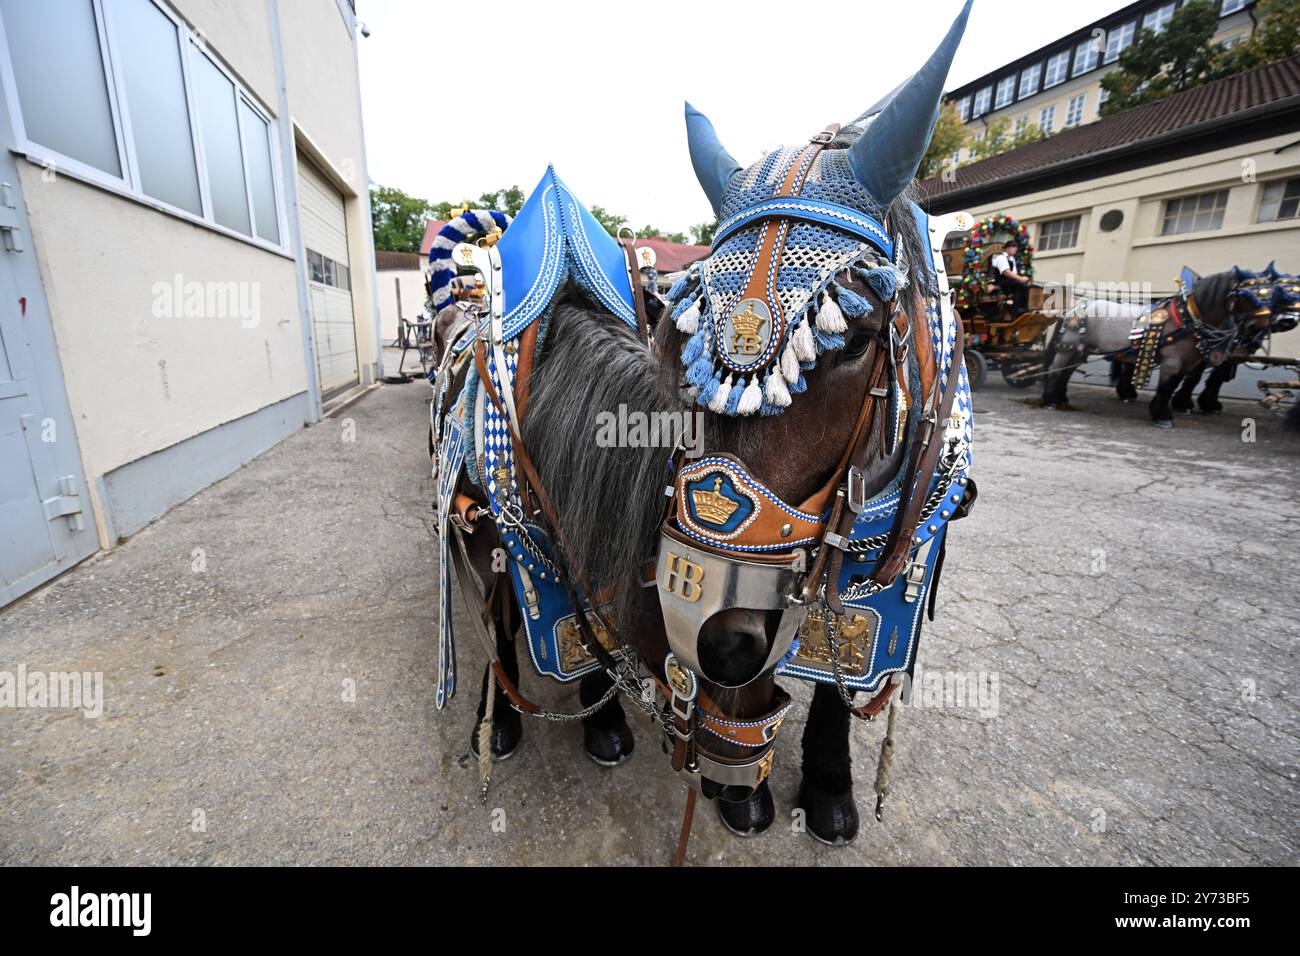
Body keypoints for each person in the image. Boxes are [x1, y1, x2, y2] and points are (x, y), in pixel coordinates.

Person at [989, 240, 1031, 315]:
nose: (1015, 249)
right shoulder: (1001, 258)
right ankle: (1018, 309)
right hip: (1001, 282)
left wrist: (1021, 279)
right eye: (1013, 247)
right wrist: (1021, 279)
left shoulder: (1012, 259)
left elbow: (1014, 273)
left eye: (1016, 247)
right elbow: (1007, 272)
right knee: (1021, 286)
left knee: (1021, 288)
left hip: (1009, 281)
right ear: (1007, 248)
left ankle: (1019, 310)